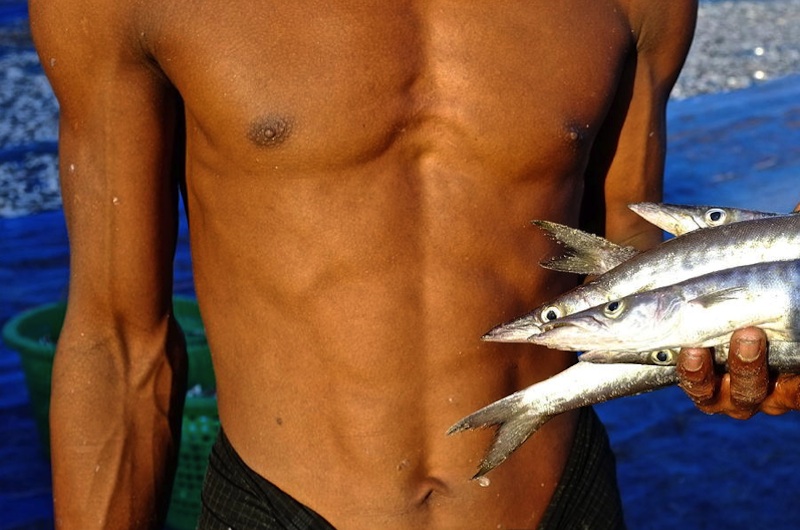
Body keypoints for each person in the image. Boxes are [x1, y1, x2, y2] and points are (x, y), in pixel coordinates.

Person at [28, 1, 800, 528]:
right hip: (284, 508)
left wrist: (756, 353)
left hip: (558, 504)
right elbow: (117, 342)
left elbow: (635, 281)